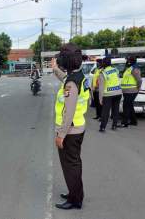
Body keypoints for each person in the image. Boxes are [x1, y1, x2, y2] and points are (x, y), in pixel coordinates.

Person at [52, 44, 90, 210]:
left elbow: (68, 112)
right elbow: (65, 79)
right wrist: (54, 69)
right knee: (75, 164)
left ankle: (75, 200)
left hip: (70, 131)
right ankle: (75, 193)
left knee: (70, 166)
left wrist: (61, 135)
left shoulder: (71, 84)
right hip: (78, 126)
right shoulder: (79, 76)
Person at [98, 56, 122, 132]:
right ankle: (114, 125)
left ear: (103, 63)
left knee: (105, 111)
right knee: (115, 109)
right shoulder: (116, 70)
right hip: (118, 92)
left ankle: (103, 127)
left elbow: (101, 87)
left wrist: (100, 98)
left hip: (108, 94)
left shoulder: (103, 73)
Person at [121, 56, 142, 127]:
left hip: (131, 91)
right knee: (129, 106)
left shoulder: (134, 69)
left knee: (126, 106)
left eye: (127, 60)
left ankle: (125, 122)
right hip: (127, 91)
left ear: (131, 61)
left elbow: (139, 80)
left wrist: (138, 88)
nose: (126, 61)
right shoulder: (129, 68)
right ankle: (133, 121)